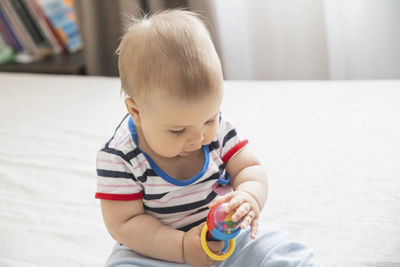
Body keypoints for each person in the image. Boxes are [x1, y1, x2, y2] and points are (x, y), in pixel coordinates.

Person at [95, 9, 320, 267]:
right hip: (156, 252)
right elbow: (124, 224)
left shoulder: (219, 129)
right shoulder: (120, 157)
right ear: (137, 112)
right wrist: (181, 248)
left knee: (282, 252)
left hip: (227, 240)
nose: (199, 138)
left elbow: (249, 167)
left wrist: (249, 196)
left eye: (210, 119)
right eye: (178, 131)